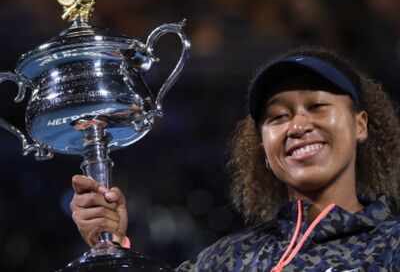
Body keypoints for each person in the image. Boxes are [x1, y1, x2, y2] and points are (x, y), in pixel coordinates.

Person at [70, 46, 400, 271]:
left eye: (316, 106)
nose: (297, 126)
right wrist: (112, 247)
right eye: (278, 117)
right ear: (264, 151)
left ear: (360, 124)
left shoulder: (391, 243)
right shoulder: (225, 258)